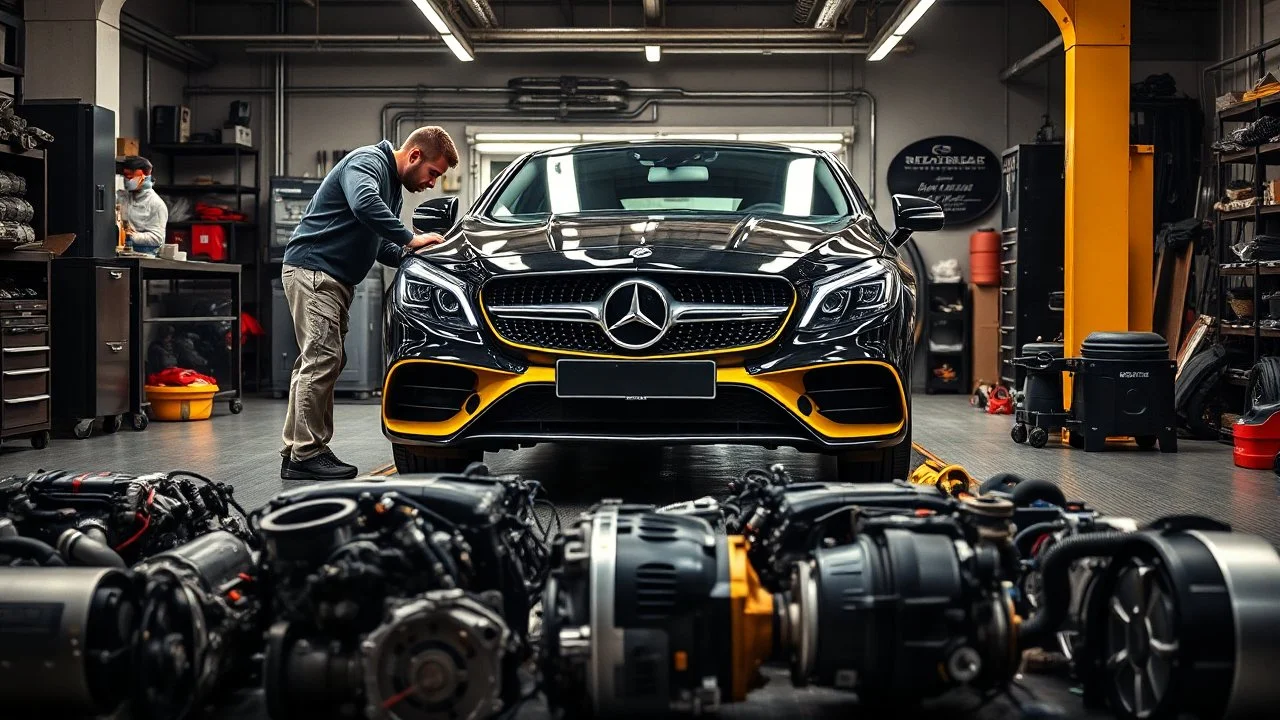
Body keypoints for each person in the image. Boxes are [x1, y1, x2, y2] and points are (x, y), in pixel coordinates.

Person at [279, 126, 459, 480]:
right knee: (322, 359)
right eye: (433, 173)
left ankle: (297, 450)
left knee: (319, 361)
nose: (432, 183)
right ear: (415, 156)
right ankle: (306, 454)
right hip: (314, 271)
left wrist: (415, 254)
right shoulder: (368, 161)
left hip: (330, 279)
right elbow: (364, 204)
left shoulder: (391, 188)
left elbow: (379, 244)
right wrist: (411, 237)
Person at [117, 155, 168, 255]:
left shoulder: (156, 204)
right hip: (123, 253)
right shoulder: (122, 197)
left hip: (145, 257)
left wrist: (130, 235)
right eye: (125, 176)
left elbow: (157, 238)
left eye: (131, 176)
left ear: (146, 176)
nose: (127, 179)